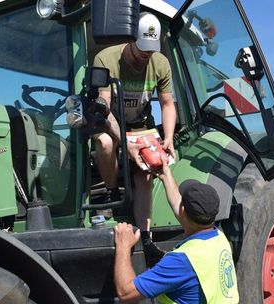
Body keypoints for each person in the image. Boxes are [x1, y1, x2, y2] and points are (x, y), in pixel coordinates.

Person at [92, 11, 176, 264]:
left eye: (149, 52)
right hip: (111, 121)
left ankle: (146, 237)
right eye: (141, 51)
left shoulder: (160, 63)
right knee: (104, 143)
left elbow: (167, 104)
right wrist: (125, 142)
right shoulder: (105, 58)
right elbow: (103, 107)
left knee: (147, 170)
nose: (144, 57)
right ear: (131, 39)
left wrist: (168, 138)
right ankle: (109, 194)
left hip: (141, 125)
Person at [113, 157, 239, 303]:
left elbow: (125, 293)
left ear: (183, 210)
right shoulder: (218, 238)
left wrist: (123, 247)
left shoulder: (181, 260)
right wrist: (167, 176)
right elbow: (181, 208)